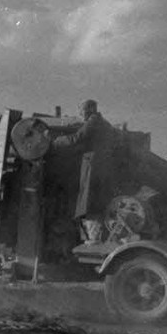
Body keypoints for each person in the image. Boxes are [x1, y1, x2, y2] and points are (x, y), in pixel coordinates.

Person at [53, 99, 127, 243]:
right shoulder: (104, 123)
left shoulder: (93, 122)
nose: (80, 114)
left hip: (93, 167)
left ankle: (93, 240)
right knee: (96, 203)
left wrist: (55, 141)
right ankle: (96, 237)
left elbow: (76, 138)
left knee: (89, 203)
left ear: (90, 110)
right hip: (103, 167)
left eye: (82, 111)